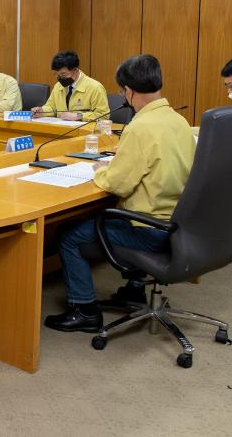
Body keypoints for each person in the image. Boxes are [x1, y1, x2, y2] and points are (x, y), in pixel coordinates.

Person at [44, 54, 195, 333]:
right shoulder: (179, 120)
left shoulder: (140, 127)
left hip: (149, 227)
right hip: (179, 222)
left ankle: (84, 310)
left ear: (128, 90)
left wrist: (101, 170)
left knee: (69, 235)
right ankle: (135, 288)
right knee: (107, 214)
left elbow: (117, 185)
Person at [32, 51, 108, 121]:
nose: (60, 78)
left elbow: (103, 115)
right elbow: (51, 107)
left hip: (84, 130)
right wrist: (42, 111)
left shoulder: (95, 87)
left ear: (76, 70)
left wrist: (79, 116)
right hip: (61, 127)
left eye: (63, 74)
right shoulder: (58, 86)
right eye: (57, 74)